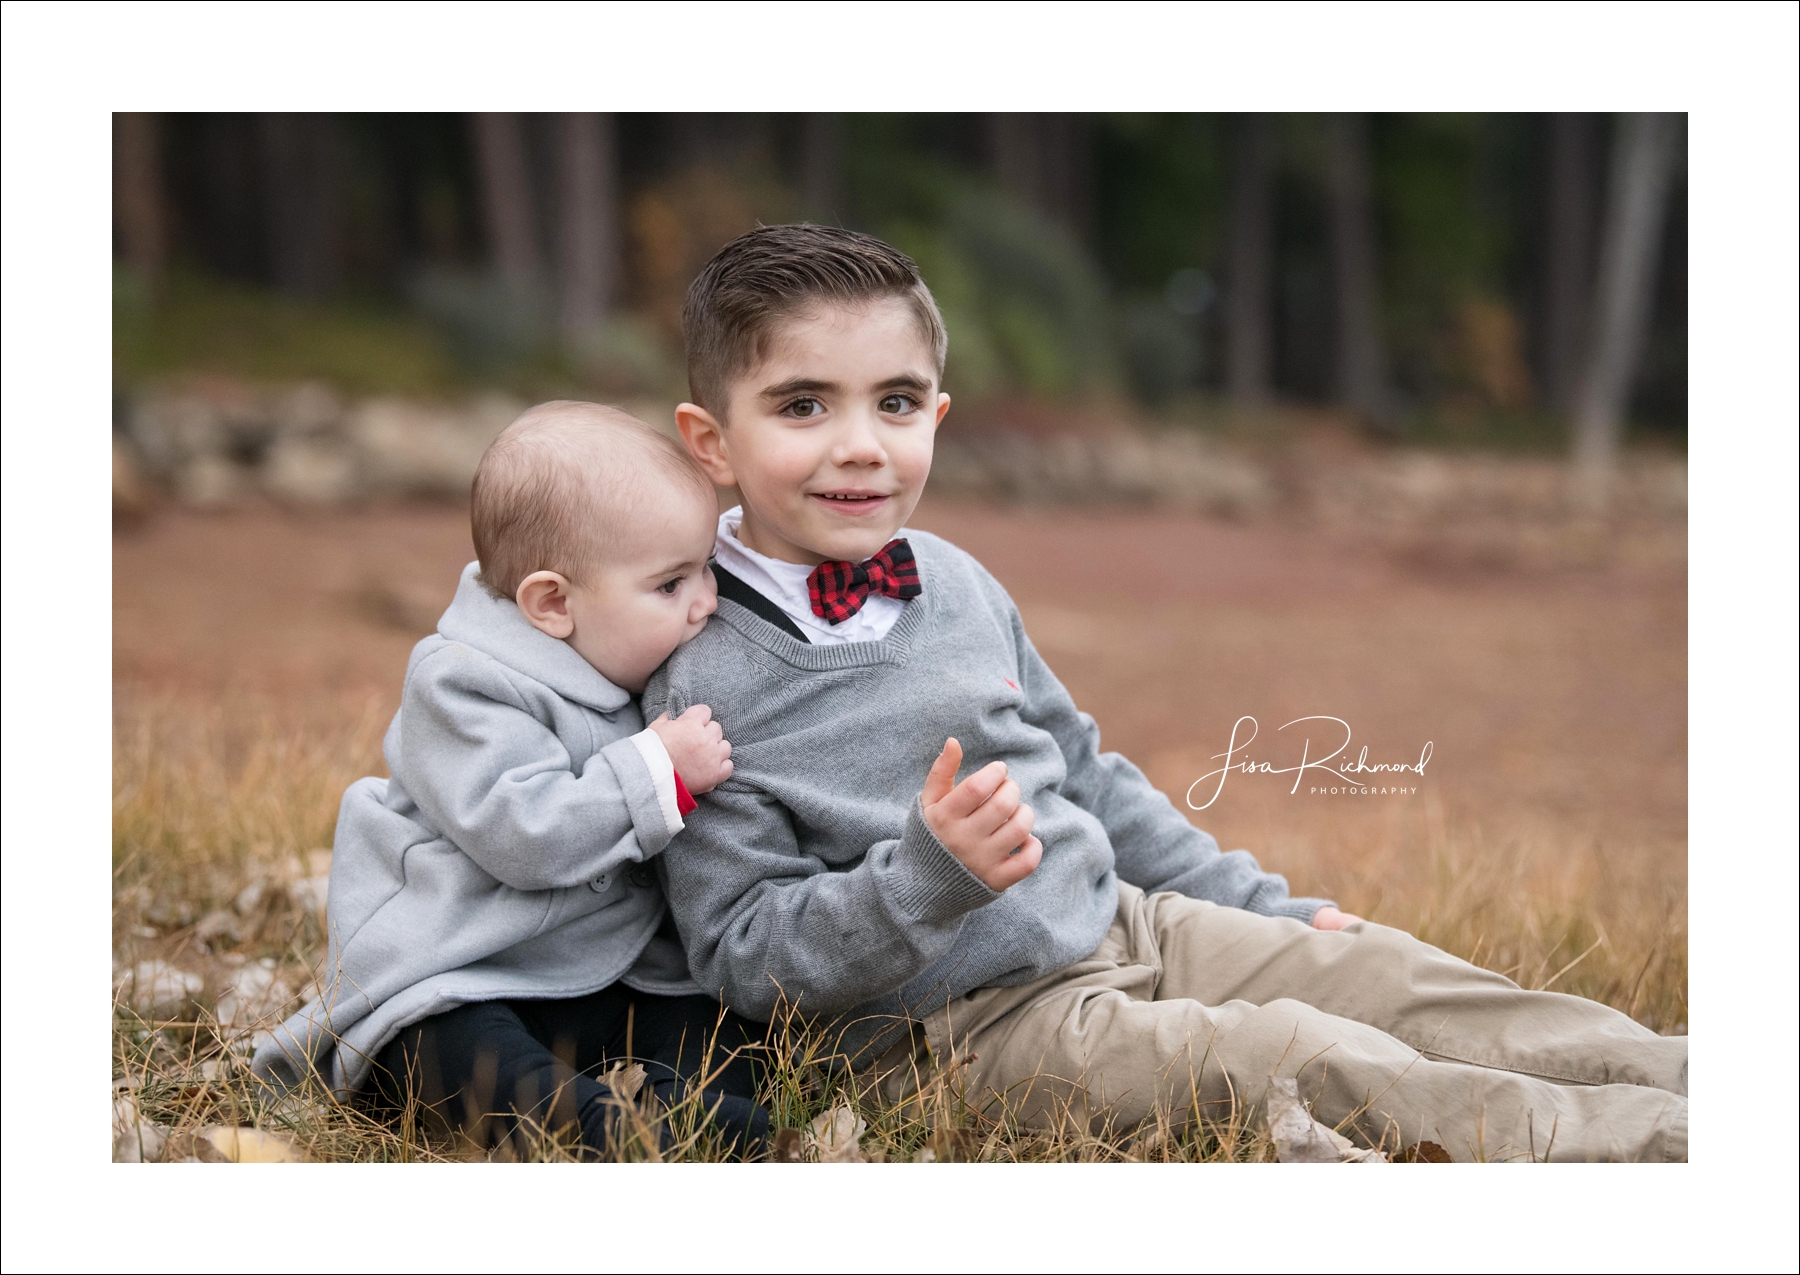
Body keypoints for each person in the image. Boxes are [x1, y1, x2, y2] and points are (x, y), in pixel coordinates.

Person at [644, 224, 1687, 1162]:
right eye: (803, 405)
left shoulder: (955, 581)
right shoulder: (702, 681)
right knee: (1303, 1055)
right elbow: (745, 958)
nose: (861, 443)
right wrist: (923, 878)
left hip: (1127, 924)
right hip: (964, 1032)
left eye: (897, 403)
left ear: (938, 416)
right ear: (712, 441)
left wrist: (1260, 908)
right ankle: (1663, 1153)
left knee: (1397, 981)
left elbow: (1086, 773)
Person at [253, 401, 767, 1159]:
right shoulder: (462, 681)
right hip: (469, 966)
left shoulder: (640, 659)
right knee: (451, 1051)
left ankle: (688, 1110)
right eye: (671, 584)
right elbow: (523, 832)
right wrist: (658, 767)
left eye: (706, 570)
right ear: (552, 602)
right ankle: (588, 1127)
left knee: (710, 1024)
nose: (706, 601)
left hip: (613, 974)